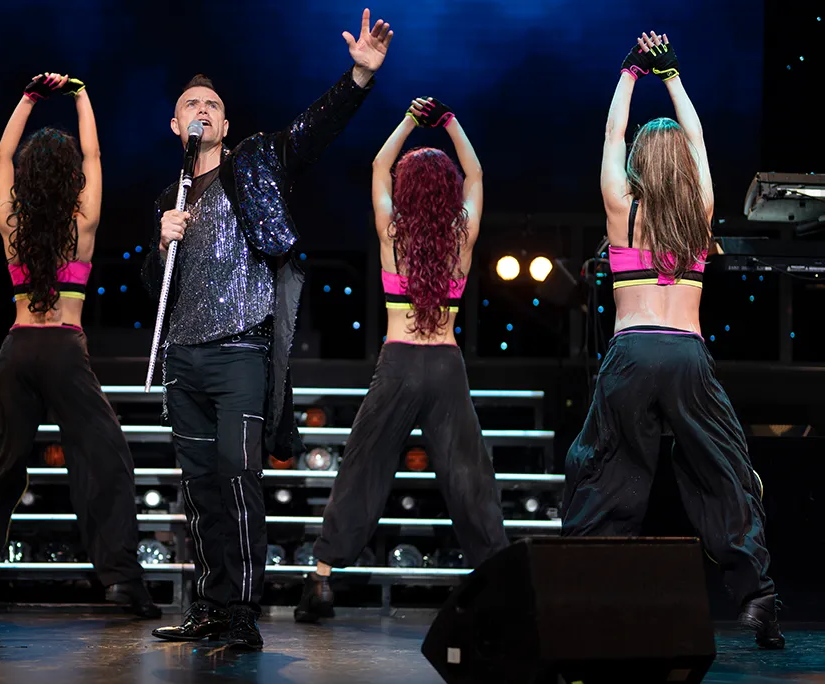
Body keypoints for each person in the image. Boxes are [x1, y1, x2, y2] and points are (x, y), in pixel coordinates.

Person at [142, 8, 393, 650]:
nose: (201, 110)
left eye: (212, 104)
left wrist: (357, 79)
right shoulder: (168, 200)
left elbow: (308, 135)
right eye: (189, 104)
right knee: (199, 490)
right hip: (184, 358)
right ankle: (213, 604)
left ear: (224, 123)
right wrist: (157, 244)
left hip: (240, 351)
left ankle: (245, 611)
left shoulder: (252, 162)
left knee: (236, 477)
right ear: (174, 125)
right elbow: (158, 292)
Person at [561, 32, 783, 649]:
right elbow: (702, 139)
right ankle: (758, 596)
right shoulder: (701, 211)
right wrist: (674, 77)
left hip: (632, 353)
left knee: (607, 470)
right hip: (685, 354)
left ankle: (577, 592)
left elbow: (610, 137)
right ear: (683, 165)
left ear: (638, 164)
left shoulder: (619, 208)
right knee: (722, 472)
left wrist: (631, 75)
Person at [293, 97, 509, 622]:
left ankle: (321, 580)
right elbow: (476, 171)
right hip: (444, 365)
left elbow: (378, 166)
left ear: (407, 192)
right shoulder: (462, 235)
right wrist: (452, 122)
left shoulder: (394, 234)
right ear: (449, 193)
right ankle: (503, 581)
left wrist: (411, 120)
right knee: (468, 474)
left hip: (399, 363)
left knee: (364, 467)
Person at [0, 73, 160, 618]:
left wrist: (25, 99)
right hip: (65, 352)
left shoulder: (12, 222)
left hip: (19, 348)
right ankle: (122, 581)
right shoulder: (83, 221)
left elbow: (1, 158)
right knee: (105, 460)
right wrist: (81, 94)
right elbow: (93, 154)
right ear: (70, 178)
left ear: (27, 178)